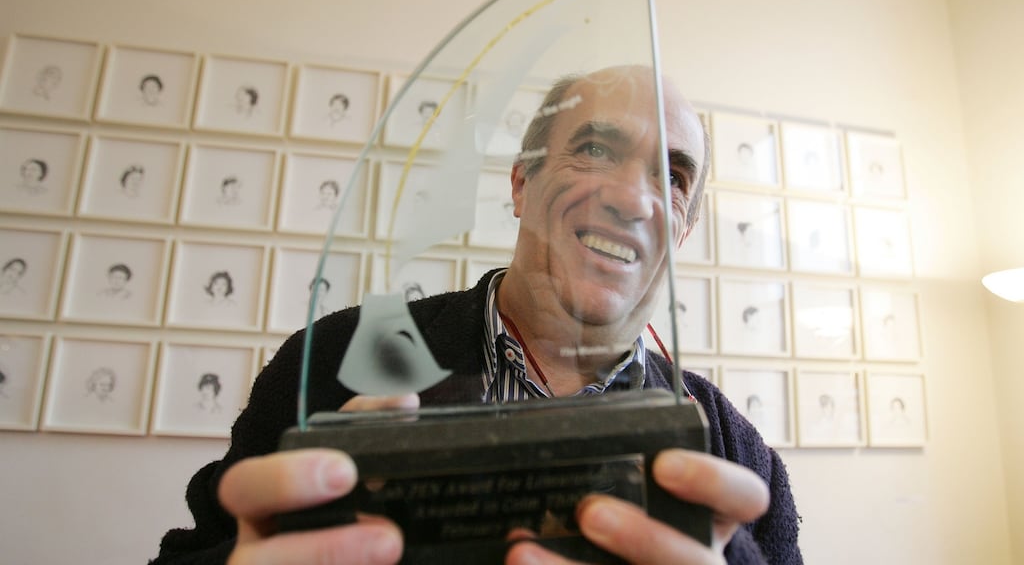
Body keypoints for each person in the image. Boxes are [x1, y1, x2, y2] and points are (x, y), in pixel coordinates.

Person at [154, 66, 801, 564]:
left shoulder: (738, 453)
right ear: (521, 185)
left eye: (672, 176)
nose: (633, 198)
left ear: (683, 229)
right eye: (596, 150)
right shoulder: (339, 357)